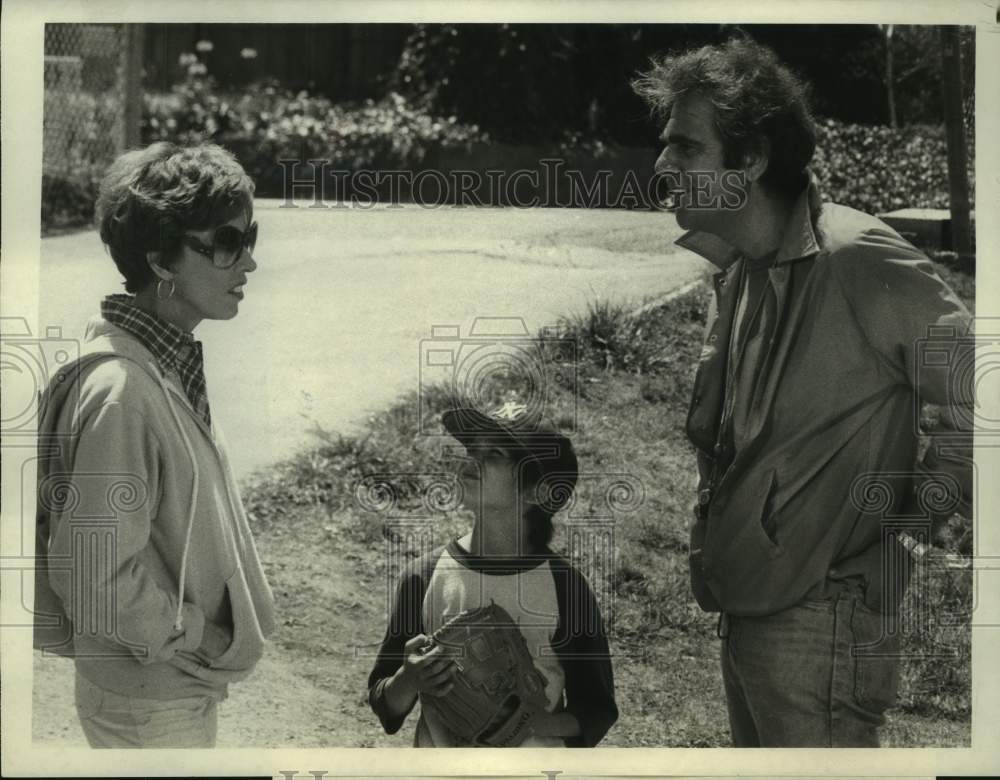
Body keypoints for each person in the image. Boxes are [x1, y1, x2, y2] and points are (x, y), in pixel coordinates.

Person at [633, 37, 973, 746]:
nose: (663, 164)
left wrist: (906, 536)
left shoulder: (855, 255)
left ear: (751, 158)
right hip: (750, 614)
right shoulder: (744, 267)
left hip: (826, 625)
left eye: (686, 147)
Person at [33, 142, 275, 748]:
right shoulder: (123, 389)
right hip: (151, 697)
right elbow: (90, 572)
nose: (246, 263)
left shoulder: (161, 362)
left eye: (251, 238)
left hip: (163, 685)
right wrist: (197, 633)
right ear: (161, 261)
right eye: (225, 242)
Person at [367, 405, 618, 746]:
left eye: (494, 453)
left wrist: (535, 724)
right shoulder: (425, 576)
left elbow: (597, 708)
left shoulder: (564, 587)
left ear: (536, 492)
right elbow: (385, 703)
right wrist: (409, 680)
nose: (472, 460)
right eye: (472, 450)